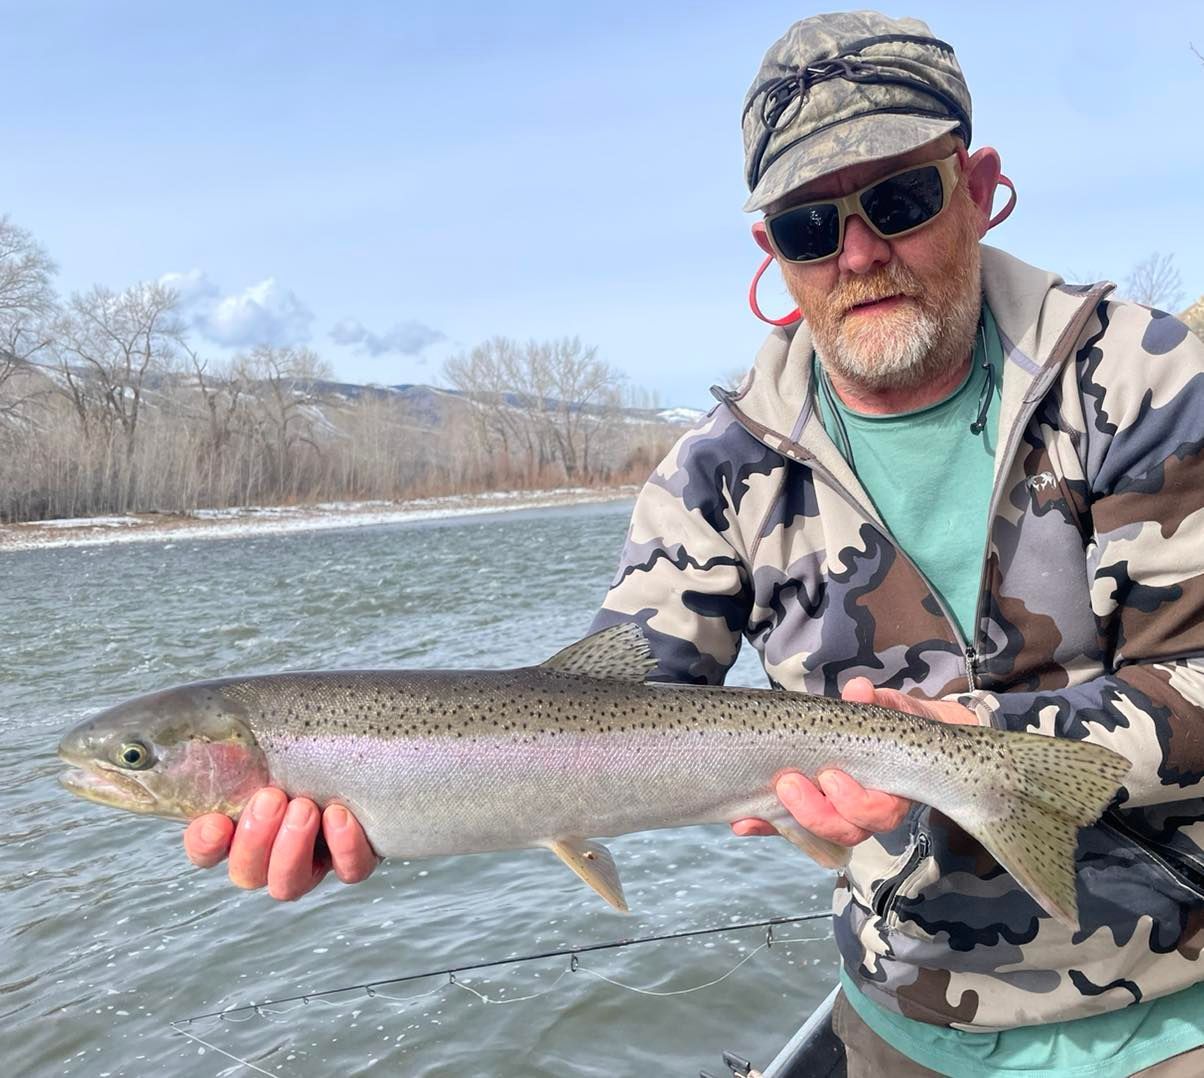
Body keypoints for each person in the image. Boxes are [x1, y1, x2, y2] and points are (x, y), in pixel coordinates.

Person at [183, 11, 1204, 1076]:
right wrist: (390, 804)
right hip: (911, 1011)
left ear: (977, 184)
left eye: (898, 199)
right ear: (772, 250)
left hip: (1181, 997)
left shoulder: (1142, 379)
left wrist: (959, 739)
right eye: (811, 226)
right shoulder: (717, 470)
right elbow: (603, 709)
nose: (858, 253)